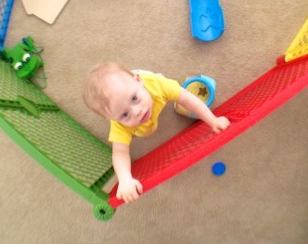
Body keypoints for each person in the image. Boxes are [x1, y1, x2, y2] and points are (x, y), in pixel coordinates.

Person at [82, 61, 231, 204]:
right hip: (130, 96)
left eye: (135, 99)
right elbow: (119, 153)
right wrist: (125, 179)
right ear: (111, 119)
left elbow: (189, 100)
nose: (137, 112)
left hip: (150, 84)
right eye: (124, 115)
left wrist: (213, 121)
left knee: (173, 92)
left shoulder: (159, 86)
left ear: (138, 81)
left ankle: (132, 90)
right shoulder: (119, 125)